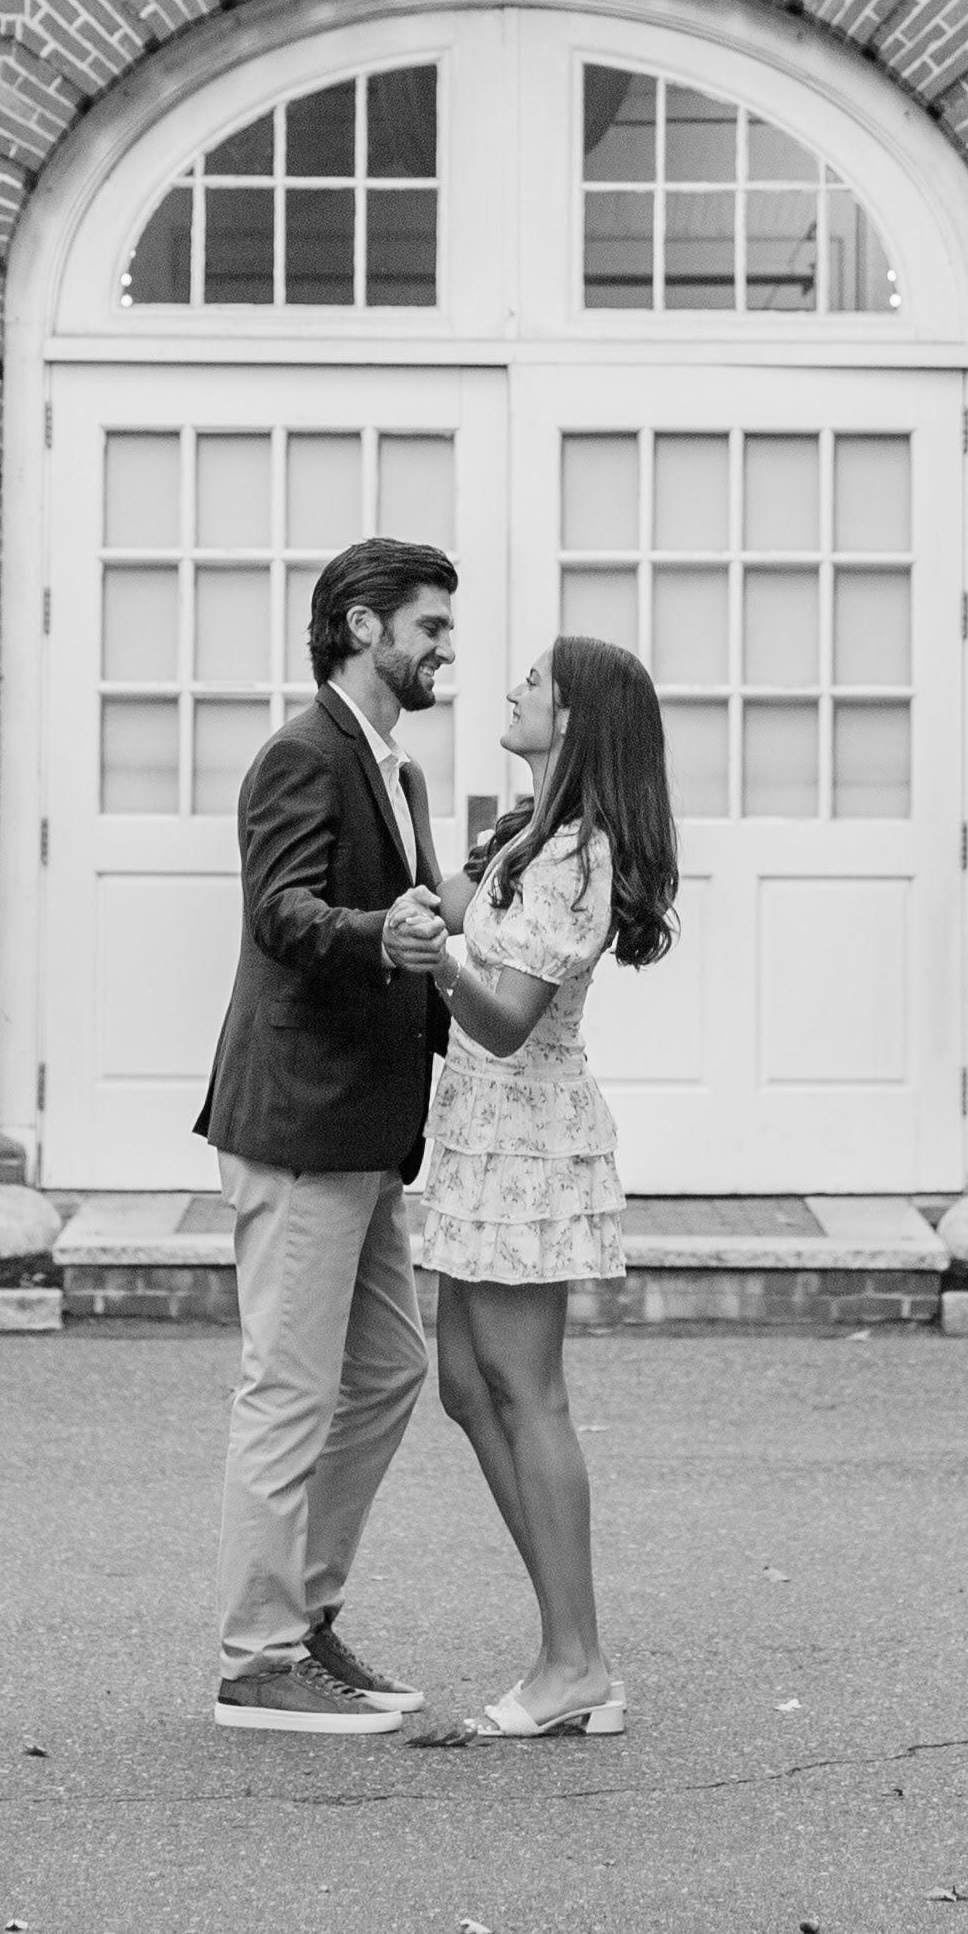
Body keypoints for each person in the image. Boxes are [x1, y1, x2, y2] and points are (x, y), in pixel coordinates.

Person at [191, 531, 463, 1734]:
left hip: (368, 1129)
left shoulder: (399, 772)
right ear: (364, 626)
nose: (445, 648)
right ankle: (256, 1657)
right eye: (430, 627)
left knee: (391, 1369)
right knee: (289, 1391)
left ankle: (302, 1616)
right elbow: (282, 913)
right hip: (302, 1122)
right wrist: (378, 935)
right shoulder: (301, 754)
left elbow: (422, 914)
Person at [407, 635, 676, 1741]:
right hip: (478, 1135)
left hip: (527, 1142)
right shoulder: (530, 834)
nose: (513, 690)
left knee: (528, 1391)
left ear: (573, 721)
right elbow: (443, 896)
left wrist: (437, 964)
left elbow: (508, 1021)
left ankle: (575, 1662)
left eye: (534, 681)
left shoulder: (578, 859)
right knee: (467, 1388)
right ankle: (573, 1644)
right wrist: (404, 792)